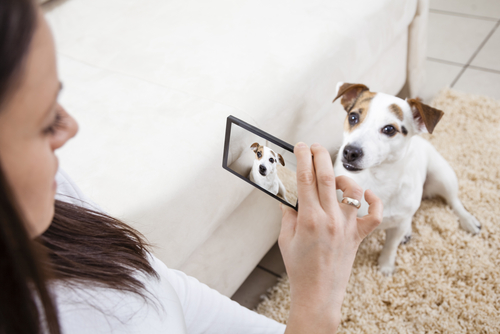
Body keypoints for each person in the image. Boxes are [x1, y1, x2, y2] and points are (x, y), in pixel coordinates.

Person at [0, 0, 383, 333]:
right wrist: (317, 309)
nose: (70, 128)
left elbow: (158, 285)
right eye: (45, 119)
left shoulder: (52, 198)